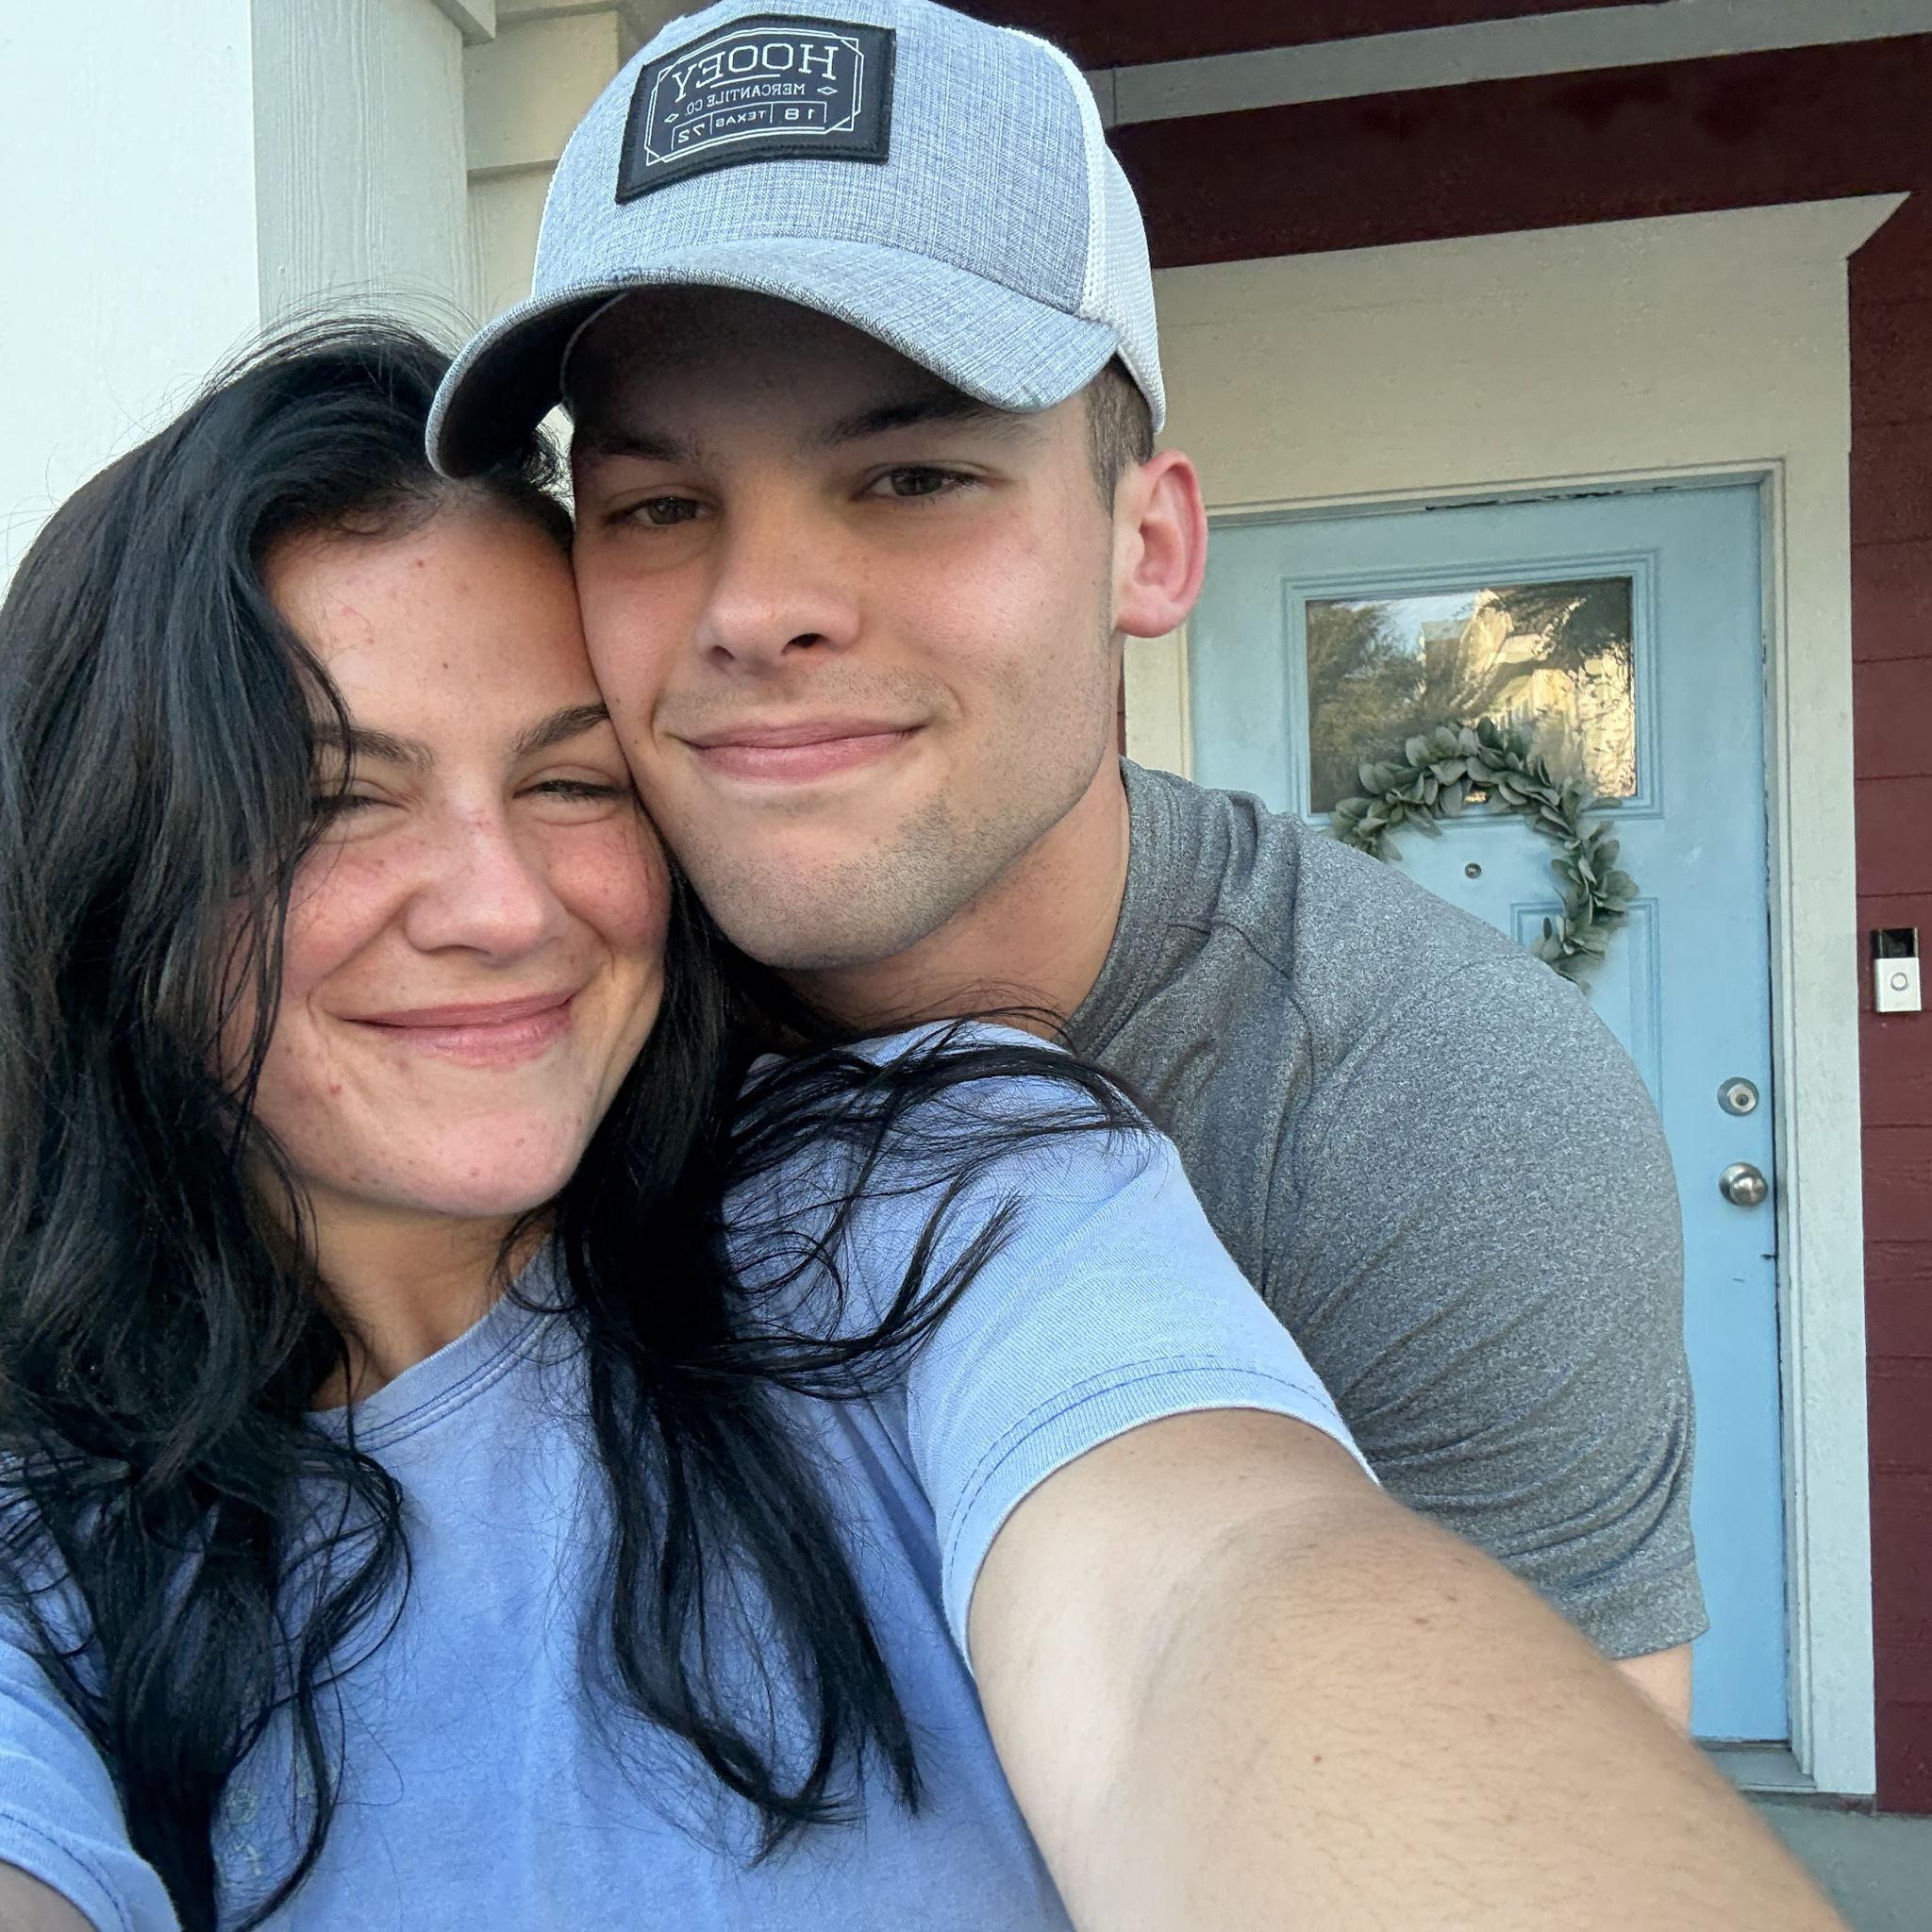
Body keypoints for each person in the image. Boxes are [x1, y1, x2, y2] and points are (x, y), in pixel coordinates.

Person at [0, 331, 1837, 1932]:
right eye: (327, 803)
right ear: (100, 854)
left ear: (1146, 545)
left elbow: (1203, 1597)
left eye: (568, 780)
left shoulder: (963, 1193)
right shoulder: (46, 1506)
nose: (499, 906)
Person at [430, 0, 1706, 1724]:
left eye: (913, 476)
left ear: (1147, 543)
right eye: (658, 508)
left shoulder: (1430, 1111)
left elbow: (1528, 1808)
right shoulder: (501, 1008)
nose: (756, 610)